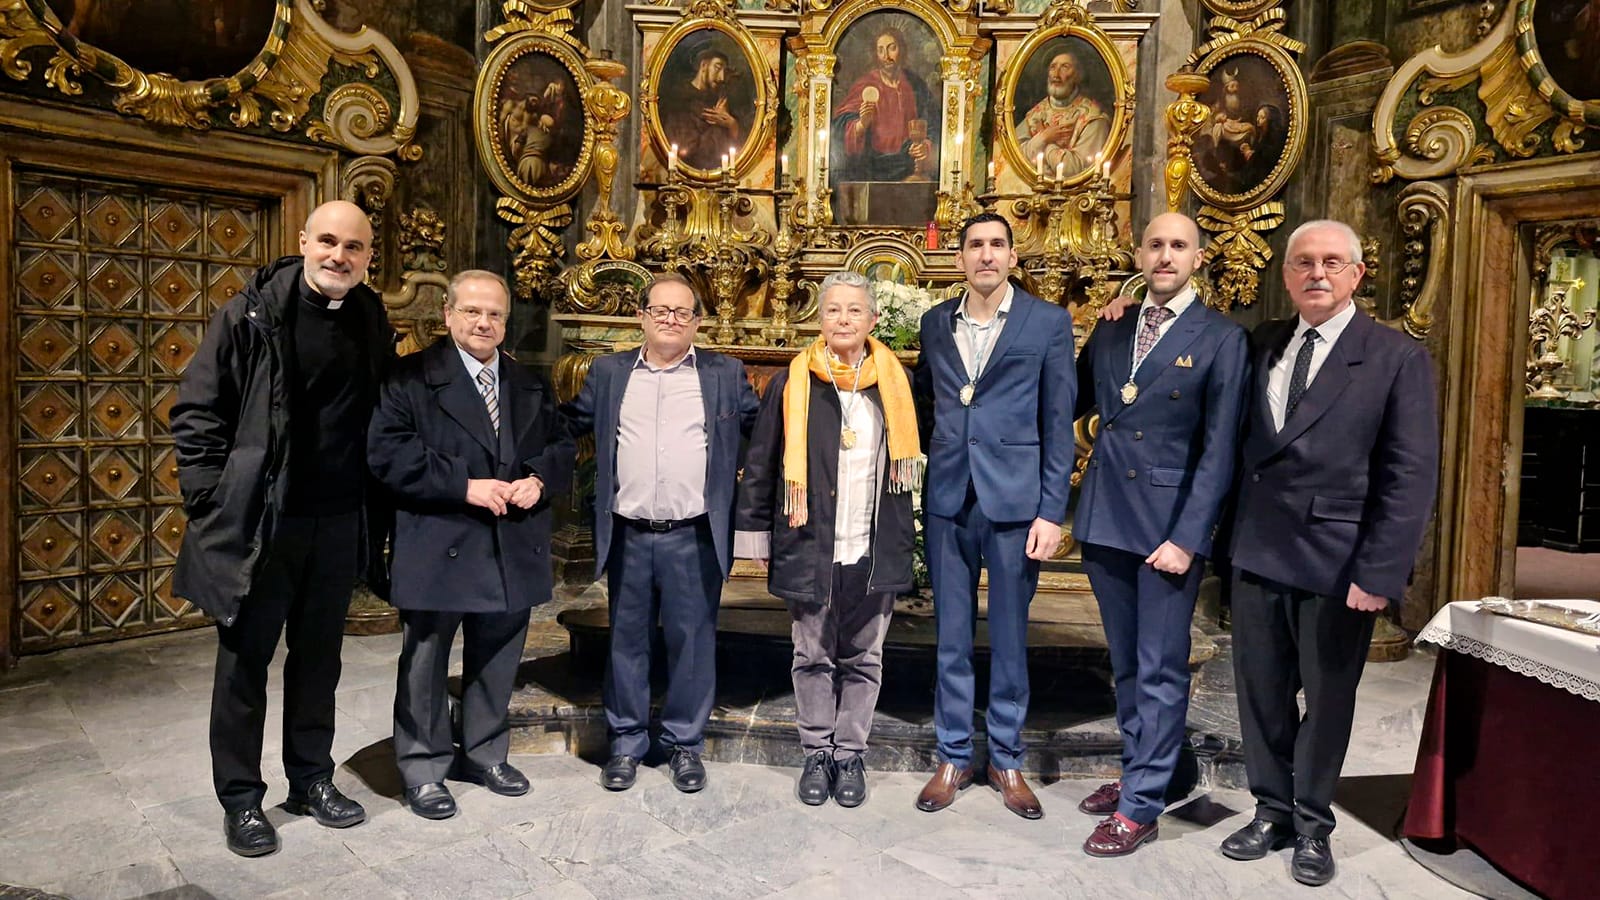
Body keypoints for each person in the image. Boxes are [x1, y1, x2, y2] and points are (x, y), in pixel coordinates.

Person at [171, 200, 395, 857]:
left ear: (367, 257)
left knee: (320, 661)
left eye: (354, 247)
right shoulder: (250, 312)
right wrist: (211, 499)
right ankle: (241, 801)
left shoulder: (369, 316)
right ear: (302, 241)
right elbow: (195, 407)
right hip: (262, 525)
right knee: (243, 667)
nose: (339, 256)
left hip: (335, 522)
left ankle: (311, 780)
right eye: (327, 241)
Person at [1220, 220, 1438, 886]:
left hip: (1338, 562)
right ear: (1286, 276)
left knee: (1328, 700)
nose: (1317, 273)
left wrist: (1379, 572)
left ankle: (1313, 824)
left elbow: (1410, 476)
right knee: (1260, 696)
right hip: (1258, 550)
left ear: (1357, 274)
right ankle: (1270, 811)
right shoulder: (1261, 342)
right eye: (1304, 262)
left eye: (1333, 262)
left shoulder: (1395, 356)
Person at [1071, 213, 1250, 856]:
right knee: (1125, 664)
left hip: (1167, 528)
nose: (1166, 255)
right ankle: (1146, 770)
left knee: (1160, 667)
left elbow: (1220, 449)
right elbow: (1079, 401)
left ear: (1198, 258)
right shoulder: (1114, 325)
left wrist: (1188, 536)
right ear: (1140, 254)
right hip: (1107, 518)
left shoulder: (1223, 338)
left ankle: (1140, 807)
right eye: (1156, 244)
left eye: (1179, 245)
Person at [366, 270, 574, 820]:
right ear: (448, 315)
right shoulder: (409, 378)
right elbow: (388, 455)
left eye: (495, 314)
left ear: (506, 321)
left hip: (512, 540)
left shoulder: (528, 381)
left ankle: (484, 752)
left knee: (500, 657)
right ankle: (424, 766)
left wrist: (538, 478)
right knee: (426, 663)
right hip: (441, 537)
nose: (484, 323)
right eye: (472, 312)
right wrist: (464, 486)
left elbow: (560, 444)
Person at [560, 274, 760, 793]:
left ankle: (683, 745)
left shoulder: (724, 373)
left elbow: (761, 435)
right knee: (627, 642)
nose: (671, 319)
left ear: (697, 321)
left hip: (693, 535)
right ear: (642, 316)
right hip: (628, 532)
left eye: (682, 312)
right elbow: (567, 424)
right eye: (661, 310)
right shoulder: (608, 372)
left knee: (692, 644)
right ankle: (626, 744)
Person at [734, 271, 921, 808]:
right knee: (811, 652)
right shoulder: (793, 384)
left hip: (871, 542)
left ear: (873, 320)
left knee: (865, 656)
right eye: (833, 310)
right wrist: (752, 532)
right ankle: (816, 750)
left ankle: (851, 754)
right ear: (820, 319)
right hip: (811, 541)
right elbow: (763, 460)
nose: (844, 319)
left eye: (855, 310)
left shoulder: (894, 385)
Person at [912, 212, 1076, 819]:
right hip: (952, 499)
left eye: (997, 245)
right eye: (975, 245)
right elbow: (929, 399)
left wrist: (1051, 511)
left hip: (1016, 502)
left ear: (1012, 256)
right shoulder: (935, 322)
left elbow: (1059, 424)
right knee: (950, 636)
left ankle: (1006, 757)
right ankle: (953, 754)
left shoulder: (1048, 322)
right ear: (959, 259)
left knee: (1009, 638)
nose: (986, 254)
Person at [832, 28, 934, 182]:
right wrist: (861, 124)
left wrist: (925, 145)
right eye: (880, 50)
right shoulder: (865, 84)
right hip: (873, 168)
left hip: (909, 165)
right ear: (875, 54)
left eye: (892, 48)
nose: (886, 56)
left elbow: (932, 122)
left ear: (902, 49)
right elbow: (839, 125)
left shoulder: (915, 84)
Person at [1017, 49, 1112, 177]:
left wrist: (1046, 143)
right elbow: (1015, 156)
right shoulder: (1036, 113)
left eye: (1064, 67)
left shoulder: (1094, 118)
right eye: (1053, 67)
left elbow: (1076, 169)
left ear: (1078, 75)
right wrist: (1043, 137)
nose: (1056, 74)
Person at [661, 49, 746, 171]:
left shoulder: (721, 100)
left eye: (724, 71)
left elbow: (735, 148)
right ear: (704, 65)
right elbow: (684, 146)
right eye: (717, 67)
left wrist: (732, 124)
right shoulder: (678, 99)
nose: (721, 77)